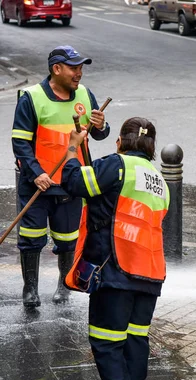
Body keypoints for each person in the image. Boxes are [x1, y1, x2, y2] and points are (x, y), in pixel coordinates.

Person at [61, 117, 170, 380]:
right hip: (150, 273)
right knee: (135, 341)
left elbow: (74, 182)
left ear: (120, 142)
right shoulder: (159, 181)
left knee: (106, 342)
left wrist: (73, 148)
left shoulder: (116, 165)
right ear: (151, 148)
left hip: (116, 270)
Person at [11, 45, 110, 308]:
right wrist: (37, 173)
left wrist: (101, 126)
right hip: (37, 183)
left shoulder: (86, 96)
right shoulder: (31, 98)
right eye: (74, 68)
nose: (79, 73)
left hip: (72, 183)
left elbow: (98, 133)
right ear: (56, 69)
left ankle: (64, 285)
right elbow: (20, 143)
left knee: (67, 239)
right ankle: (30, 290)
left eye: (81, 68)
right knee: (31, 239)